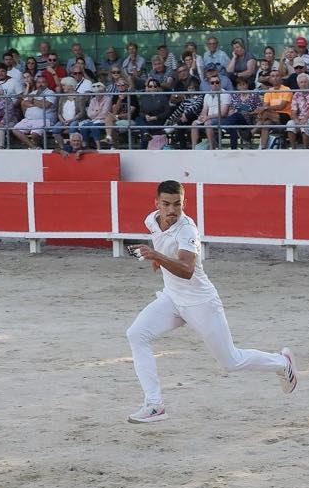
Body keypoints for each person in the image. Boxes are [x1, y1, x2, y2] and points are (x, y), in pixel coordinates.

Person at [125, 180, 296, 424]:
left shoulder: (187, 230)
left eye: (177, 204)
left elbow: (187, 270)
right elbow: (164, 243)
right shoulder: (151, 220)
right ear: (157, 204)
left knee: (231, 361)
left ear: (184, 203)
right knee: (136, 334)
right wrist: (157, 259)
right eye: (166, 204)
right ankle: (154, 405)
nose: (172, 210)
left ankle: (281, 362)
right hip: (172, 299)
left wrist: (155, 255)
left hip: (200, 303)